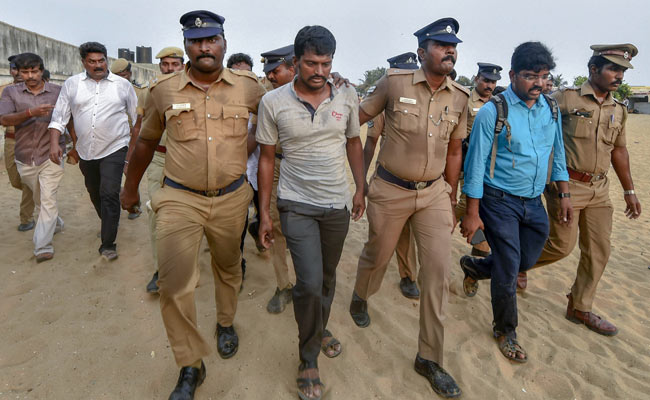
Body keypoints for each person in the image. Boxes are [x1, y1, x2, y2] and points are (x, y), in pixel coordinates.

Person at [120, 10, 266, 400]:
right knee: (174, 282)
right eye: (196, 41)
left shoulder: (250, 88)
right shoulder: (163, 90)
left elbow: (270, 130)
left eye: (212, 39)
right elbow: (146, 141)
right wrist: (130, 187)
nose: (204, 47)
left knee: (228, 267)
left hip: (233, 197)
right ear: (186, 45)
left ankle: (225, 322)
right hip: (179, 197)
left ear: (224, 42)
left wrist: (242, 154)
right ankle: (190, 365)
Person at [350, 17, 468, 398]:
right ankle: (361, 294)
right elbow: (359, 120)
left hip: (434, 193)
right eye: (440, 45)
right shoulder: (394, 83)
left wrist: (451, 197)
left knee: (436, 271)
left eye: (453, 47)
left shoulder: (460, 98)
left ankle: (429, 358)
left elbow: (454, 150)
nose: (449, 51)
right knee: (378, 254)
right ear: (422, 52)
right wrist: (357, 181)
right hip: (390, 188)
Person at [256, 25, 365, 400]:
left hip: (336, 203)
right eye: (310, 63)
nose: (319, 71)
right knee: (308, 282)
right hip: (296, 203)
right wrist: (265, 213)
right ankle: (308, 358)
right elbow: (267, 160)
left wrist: (360, 187)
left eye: (326, 63)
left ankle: (318, 330)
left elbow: (353, 142)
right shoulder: (273, 103)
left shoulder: (346, 94)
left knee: (328, 279)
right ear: (295, 62)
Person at [459, 41, 572, 364]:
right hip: (499, 201)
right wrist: (472, 213)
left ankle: (475, 267)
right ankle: (505, 330)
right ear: (512, 75)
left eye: (544, 76)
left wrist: (563, 194)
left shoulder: (550, 109)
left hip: (534, 202)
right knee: (509, 269)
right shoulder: (493, 111)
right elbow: (475, 165)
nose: (538, 83)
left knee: (524, 259)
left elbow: (558, 153)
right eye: (529, 76)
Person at [526, 44, 642, 336]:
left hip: (599, 189)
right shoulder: (565, 98)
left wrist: (629, 191)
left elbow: (619, 150)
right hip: (567, 186)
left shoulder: (618, 108)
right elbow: (538, 133)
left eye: (623, 71)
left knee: (599, 250)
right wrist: (551, 181)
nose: (620, 76)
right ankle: (509, 263)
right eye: (614, 69)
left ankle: (580, 306)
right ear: (593, 69)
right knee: (561, 247)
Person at [48, 41, 137, 261]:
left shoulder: (122, 85)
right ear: (83, 62)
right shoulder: (72, 84)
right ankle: (109, 220)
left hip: (115, 146)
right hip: (86, 150)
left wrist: (132, 152)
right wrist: (54, 143)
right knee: (95, 191)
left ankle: (108, 243)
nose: (98, 65)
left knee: (109, 192)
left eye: (101, 60)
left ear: (107, 60)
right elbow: (59, 117)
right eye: (92, 61)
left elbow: (136, 119)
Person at [362, 52, 419, 299]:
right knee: (384, 234)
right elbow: (371, 142)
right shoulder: (386, 100)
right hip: (391, 178)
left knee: (409, 231)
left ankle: (408, 275)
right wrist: (360, 180)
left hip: (422, 182)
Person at [0, 53, 66, 262]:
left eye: (34, 71)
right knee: (39, 197)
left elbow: (68, 119)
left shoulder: (58, 91)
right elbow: (3, 118)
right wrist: (30, 112)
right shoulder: (10, 92)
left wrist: (74, 146)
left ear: (42, 70)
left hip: (52, 154)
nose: (30, 76)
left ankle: (42, 246)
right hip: (24, 155)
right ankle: (56, 223)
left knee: (47, 198)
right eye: (25, 72)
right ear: (18, 72)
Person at [136, 46, 186, 294]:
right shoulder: (150, 92)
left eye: (174, 64)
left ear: (183, 65)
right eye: (164, 64)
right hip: (159, 158)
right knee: (155, 212)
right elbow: (141, 128)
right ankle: (160, 270)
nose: (169, 69)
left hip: (188, 163)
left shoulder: (195, 91)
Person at [258, 44, 296, 313]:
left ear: (293, 68)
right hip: (278, 167)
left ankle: (307, 285)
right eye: (268, 72)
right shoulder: (268, 99)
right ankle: (284, 286)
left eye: (275, 71)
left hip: (308, 172)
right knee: (278, 228)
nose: (270, 76)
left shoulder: (324, 93)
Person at [456, 62, 502, 258]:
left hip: (490, 165)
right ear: (476, 79)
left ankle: (478, 251)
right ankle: (479, 250)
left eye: (493, 82)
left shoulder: (499, 103)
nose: (489, 85)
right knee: (467, 204)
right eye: (486, 80)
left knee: (480, 206)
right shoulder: (464, 100)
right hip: (465, 160)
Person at [1, 54, 36, 232]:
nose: (17, 72)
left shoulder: (36, 91)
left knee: (27, 178)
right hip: (11, 139)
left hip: (30, 141)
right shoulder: (4, 91)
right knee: (16, 180)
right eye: (14, 68)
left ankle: (26, 217)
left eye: (21, 69)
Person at [110, 57, 144, 220]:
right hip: (114, 140)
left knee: (130, 173)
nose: (120, 79)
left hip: (133, 140)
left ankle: (133, 207)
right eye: (117, 76)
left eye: (123, 75)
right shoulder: (108, 92)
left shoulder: (139, 93)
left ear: (129, 74)